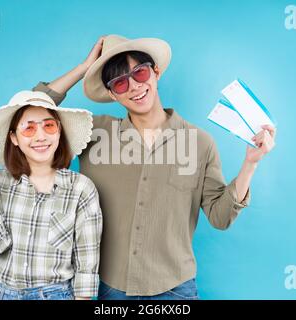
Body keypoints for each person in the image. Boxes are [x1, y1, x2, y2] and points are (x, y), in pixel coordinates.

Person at [33, 35, 277, 299]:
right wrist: (84, 69)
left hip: (175, 290)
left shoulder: (199, 143)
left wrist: (250, 164)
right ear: (112, 94)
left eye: (139, 73)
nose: (134, 87)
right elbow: (31, 110)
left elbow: (220, 217)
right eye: (120, 82)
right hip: (111, 287)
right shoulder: (92, 132)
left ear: (156, 72)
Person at [0, 90, 102, 300]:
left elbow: (87, 262)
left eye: (49, 125)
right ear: (14, 138)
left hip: (55, 295)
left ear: (59, 131)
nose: (40, 136)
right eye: (28, 128)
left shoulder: (81, 188)